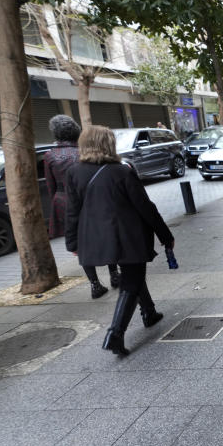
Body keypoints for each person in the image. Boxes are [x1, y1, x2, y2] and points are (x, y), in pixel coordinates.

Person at [66, 126, 173, 356]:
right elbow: (145, 207)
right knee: (131, 280)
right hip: (127, 236)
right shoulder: (122, 171)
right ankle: (115, 334)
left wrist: (72, 243)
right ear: (108, 145)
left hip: (94, 237)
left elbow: (72, 211)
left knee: (133, 275)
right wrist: (165, 235)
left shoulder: (74, 172)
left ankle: (149, 312)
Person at [43, 115, 119, 299]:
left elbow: (50, 185)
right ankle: (114, 274)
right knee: (105, 234)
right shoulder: (83, 152)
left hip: (63, 200)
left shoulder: (50, 155)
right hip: (88, 197)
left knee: (80, 243)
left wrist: (57, 199)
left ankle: (94, 284)